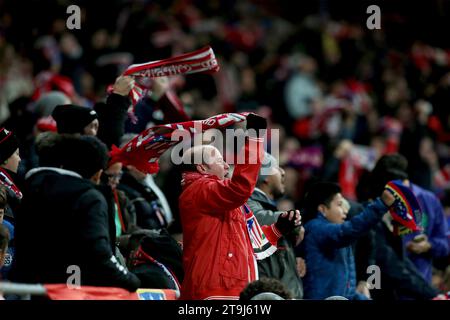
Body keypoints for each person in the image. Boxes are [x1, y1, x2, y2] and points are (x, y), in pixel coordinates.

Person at [178, 114, 301, 300]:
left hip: (231, 290)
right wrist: (254, 138)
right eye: (219, 161)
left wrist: (277, 229)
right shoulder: (199, 190)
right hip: (214, 291)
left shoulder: (222, 199)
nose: (227, 165)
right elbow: (240, 187)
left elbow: (252, 242)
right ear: (202, 168)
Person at [13, 135, 141, 291]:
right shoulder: (89, 198)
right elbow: (100, 254)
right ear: (98, 174)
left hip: (28, 286)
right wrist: (131, 281)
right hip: (72, 288)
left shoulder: (35, 185)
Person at [300, 181, 395, 300]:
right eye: (339, 204)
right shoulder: (317, 228)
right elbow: (350, 229)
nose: (345, 210)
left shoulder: (333, 234)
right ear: (323, 209)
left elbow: (345, 291)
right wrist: (381, 205)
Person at [247, 152, 304, 299]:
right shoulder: (247, 202)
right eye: (277, 168)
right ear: (265, 177)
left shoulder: (268, 206)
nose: (283, 172)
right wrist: (293, 221)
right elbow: (260, 219)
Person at [0, 128, 22, 224]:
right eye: (17, 154)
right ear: (5, 158)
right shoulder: (3, 189)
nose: (19, 159)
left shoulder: (8, 183)